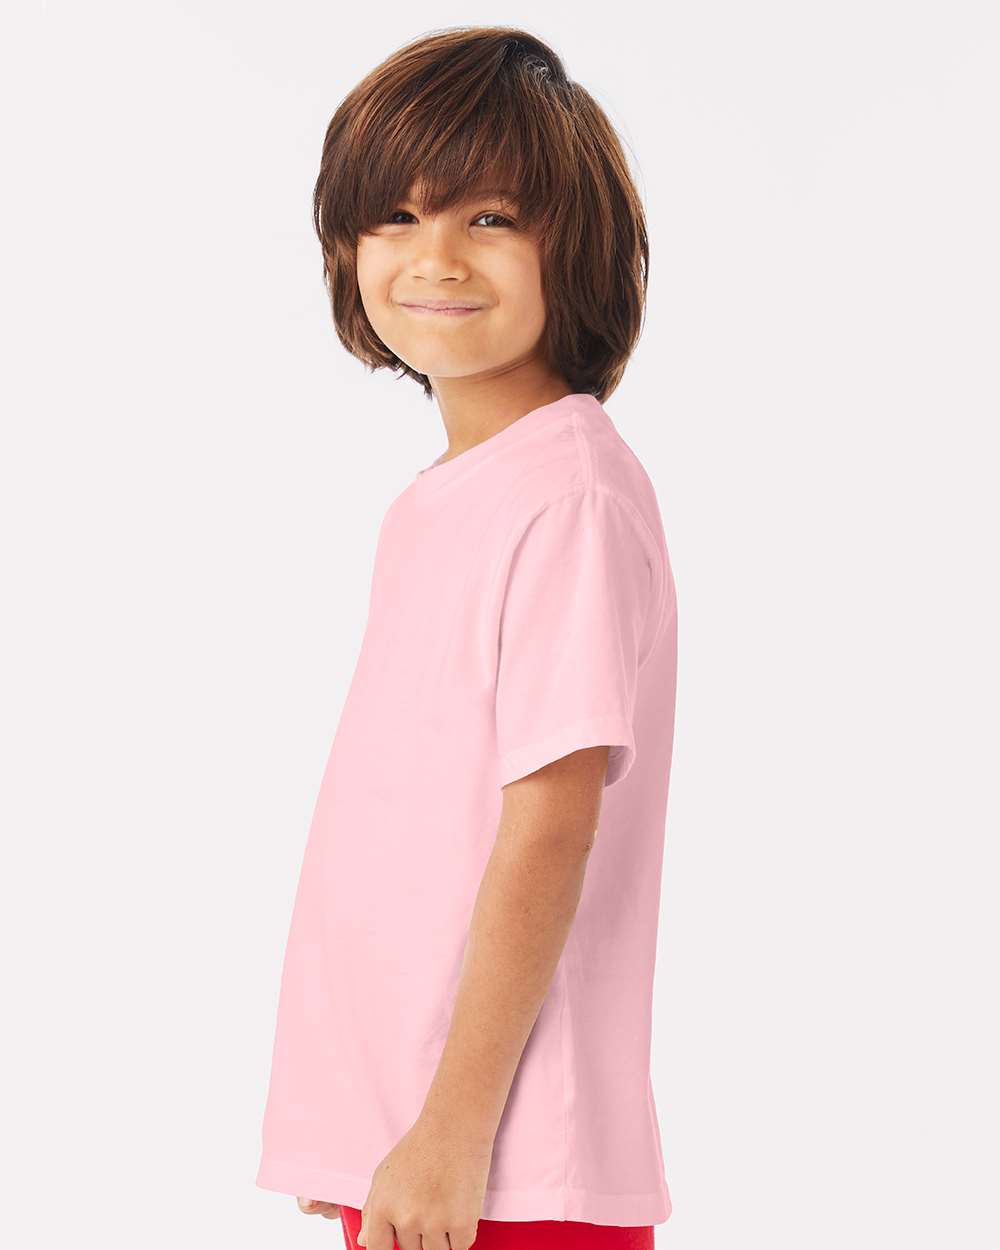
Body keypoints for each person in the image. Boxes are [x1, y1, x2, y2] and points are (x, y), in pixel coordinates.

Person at [256, 26, 679, 1250]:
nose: (434, 255)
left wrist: (446, 1125)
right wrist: (362, 1110)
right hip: (429, 1145)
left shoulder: (568, 494)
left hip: (506, 1159)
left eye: (489, 217)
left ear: (574, 249)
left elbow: (548, 821)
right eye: (395, 215)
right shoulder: (449, 498)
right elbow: (406, 826)